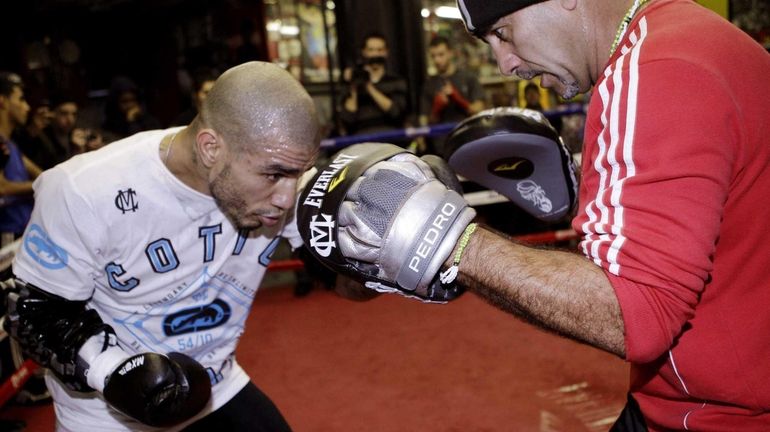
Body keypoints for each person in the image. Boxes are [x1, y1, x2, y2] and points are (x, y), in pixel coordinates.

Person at [309, 0, 770, 429]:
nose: (505, 64)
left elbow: (636, 314)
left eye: (503, 32)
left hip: (717, 414)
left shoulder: (655, 70)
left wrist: (450, 241)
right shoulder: (690, 36)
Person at [2, 61, 332, 432]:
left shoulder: (276, 180)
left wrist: (373, 246)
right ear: (211, 148)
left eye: (297, 173)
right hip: (107, 414)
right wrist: (113, 370)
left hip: (217, 386)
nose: (286, 198)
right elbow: (33, 312)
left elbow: (342, 281)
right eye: (273, 175)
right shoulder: (84, 190)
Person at [419, 35, 485, 155]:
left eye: (441, 54)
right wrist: (436, 108)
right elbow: (426, 124)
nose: (437, 60)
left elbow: (479, 111)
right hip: (441, 147)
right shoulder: (429, 84)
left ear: (450, 53)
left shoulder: (468, 78)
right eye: (433, 56)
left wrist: (458, 99)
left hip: (467, 141)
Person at [0, 71, 42, 247]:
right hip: (9, 235)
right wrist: (43, 184)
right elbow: (2, 188)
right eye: (21, 99)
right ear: (2, 101)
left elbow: (43, 174)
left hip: (25, 231)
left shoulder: (10, 144)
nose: (27, 107)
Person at [339, 32, 408, 138]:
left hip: (392, 141)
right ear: (364, 52)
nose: (375, 54)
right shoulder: (354, 81)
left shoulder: (396, 80)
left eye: (379, 50)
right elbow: (348, 119)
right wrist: (353, 85)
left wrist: (368, 86)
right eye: (371, 50)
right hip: (362, 142)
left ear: (386, 52)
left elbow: (396, 112)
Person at [102, 75, 161, 141]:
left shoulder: (148, 120)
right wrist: (131, 122)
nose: (130, 105)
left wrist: (133, 122)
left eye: (133, 100)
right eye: (124, 101)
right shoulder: (110, 126)